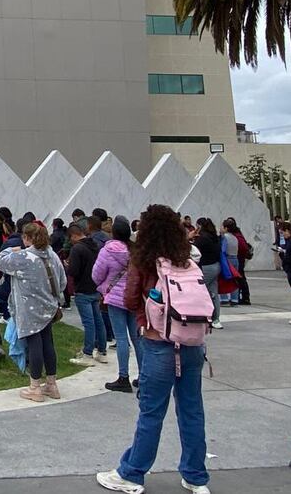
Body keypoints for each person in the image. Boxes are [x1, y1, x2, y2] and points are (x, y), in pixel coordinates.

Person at [97, 205, 211, 494]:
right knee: (192, 410)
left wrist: (143, 318)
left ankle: (132, 473)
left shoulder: (145, 261)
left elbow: (132, 296)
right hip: (193, 344)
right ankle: (196, 476)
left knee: (151, 412)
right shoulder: (186, 260)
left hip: (159, 343)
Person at [0, 221, 66, 402]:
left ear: (26, 238)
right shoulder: (52, 254)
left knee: (35, 344)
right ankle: (51, 384)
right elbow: (63, 282)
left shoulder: (24, 257)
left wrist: (12, 250)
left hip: (29, 308)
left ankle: (35, 386)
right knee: (48, 343)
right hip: (49, 306)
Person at [93, 216, 141, 393]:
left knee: (121, 338)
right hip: (133, 297)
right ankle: (143, 376)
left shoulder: (108, 251)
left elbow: (97, 274)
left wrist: (105, 285)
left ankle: (123, 377)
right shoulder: (136, 251)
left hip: (115, 297)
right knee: (136, 338)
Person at [67, 223, 106, 366]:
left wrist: (68, 266)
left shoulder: (77, 249)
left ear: (74, 235)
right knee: (98, 321)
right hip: (95, 287)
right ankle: (102, 351)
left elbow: (74, 271)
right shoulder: (95, 245)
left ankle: (87, 353)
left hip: (83, 289)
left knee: (89, 323)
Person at [193, 219, 224, 330]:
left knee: (201, 292)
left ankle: (204, 317)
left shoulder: (202, 239)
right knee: (213, 293)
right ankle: (216, 319)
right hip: (216, 266)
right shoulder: (214, 237)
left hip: (206, 267)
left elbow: (193, 250)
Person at [219, 222, 241, 307]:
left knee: (224, 278)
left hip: (227, 259)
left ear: (226, 228)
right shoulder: (235, 238)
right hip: (235, 259)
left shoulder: (225, 237)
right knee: (235, 280)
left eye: (222, 227)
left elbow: (223, 249)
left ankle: (224, 298)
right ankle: (234, 299)